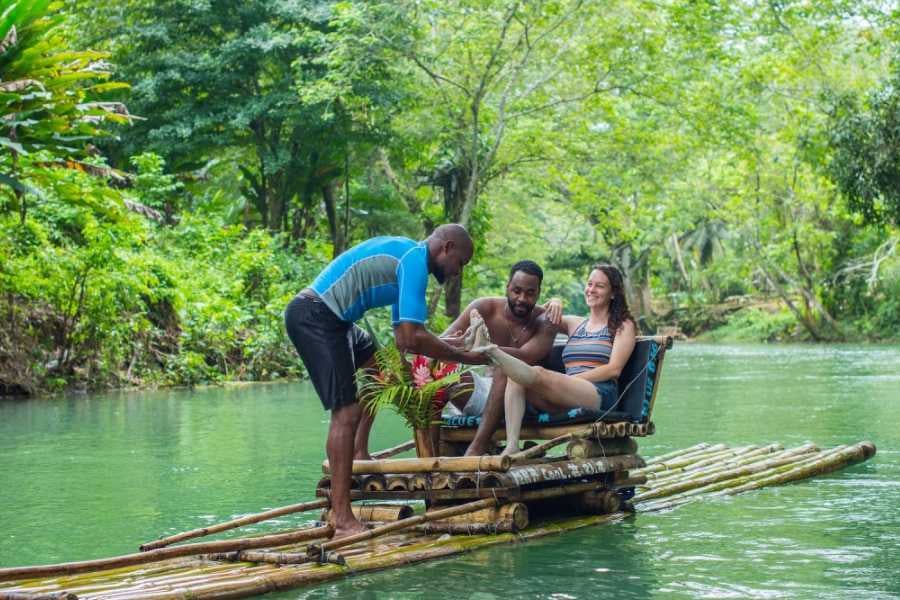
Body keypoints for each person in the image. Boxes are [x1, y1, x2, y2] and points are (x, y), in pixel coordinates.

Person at [284, 224, 483, 539]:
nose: (458, 272)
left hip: (339, 319)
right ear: (446, 248)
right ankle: (342, 515)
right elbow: (412, 338)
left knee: (385, 373)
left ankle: (360, 451)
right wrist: (466, 356)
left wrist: (455, 347)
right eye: (460, 263)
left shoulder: (410, 258)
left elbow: (402, 342)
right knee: (346, 413)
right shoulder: (414, 262)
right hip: (316, 314)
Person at [469, 264, 637, 455]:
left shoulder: (623, 325)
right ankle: (512, 446)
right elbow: (542, 315)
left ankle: (491, 351)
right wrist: (555, 301)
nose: (591, 289)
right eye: (589, 284)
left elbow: (614, 369)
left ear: (613, 293)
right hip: (563, 395)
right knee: (514, 376)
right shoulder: (575, 323)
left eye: (599, 286)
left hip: (599, 394)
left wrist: (573, 380)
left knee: (538, 372)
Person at [440, 260, 562, 456]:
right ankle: (431, 449)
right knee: (441, 371)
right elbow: (442, 343)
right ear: (507, 287)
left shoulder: (545, 321)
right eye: (516, 291)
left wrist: (483, 349)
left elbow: (526, 356)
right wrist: (460, 344)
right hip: (482, 394)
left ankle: (476, 448)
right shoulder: (484, 308)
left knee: (505, 366)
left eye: (530, 293)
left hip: (518, 402)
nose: (522, 298)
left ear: (539, 293)